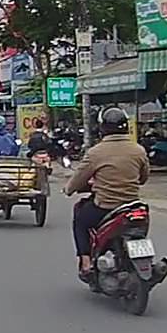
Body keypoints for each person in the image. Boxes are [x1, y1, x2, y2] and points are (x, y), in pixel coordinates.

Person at [63, 107, 150, 276]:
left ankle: (86, 262)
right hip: (133, 206)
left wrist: (68, 189)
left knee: (80, 219)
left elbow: (79, 178)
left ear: (102, 128)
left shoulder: (96, 153)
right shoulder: (139, 150)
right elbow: (143, 178)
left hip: (106, 207)